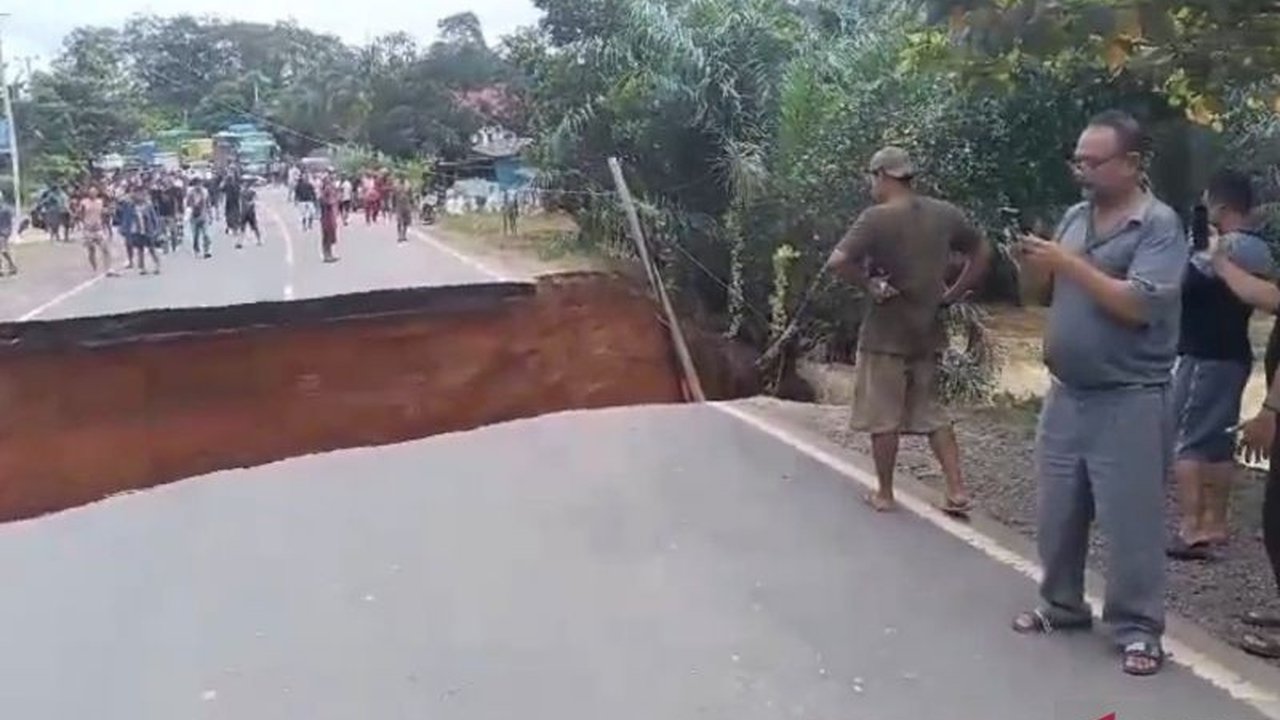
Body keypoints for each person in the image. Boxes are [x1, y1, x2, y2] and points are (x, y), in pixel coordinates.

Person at [1010, 110, 1187, 676]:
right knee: (1057, 512)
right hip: (1067, 393)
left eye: (1094, 161)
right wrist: (1034, 266)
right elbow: (1040, 295)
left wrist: (1066, 261)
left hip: (1129, 396)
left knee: (1130, 521)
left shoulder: (1158, 226)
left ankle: (1138, 629)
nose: (1081, 171)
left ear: (1131, 163)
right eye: (1078, 161)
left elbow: (1139, 305)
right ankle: (1061, 605)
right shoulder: (1074, 217)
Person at [825, 146, 991, 516]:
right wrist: (953, 294)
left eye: (872, 177)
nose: (871, 185)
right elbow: (982, 251)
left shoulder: (876, 218)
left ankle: (885, 493)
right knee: (932, 413)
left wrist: (869, 284)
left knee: (883, 417)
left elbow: (837, 262)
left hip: (884, 335)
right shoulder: (945, 214)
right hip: (927, 331)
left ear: (883, 175)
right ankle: (957, 490)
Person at [1168, 169, 1275, 561]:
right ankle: (1215, 522)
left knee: (1188, 442)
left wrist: (1195, 243)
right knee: (1217, 442)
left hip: (1203, 355)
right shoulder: (1258, 250)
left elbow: (1179, 278)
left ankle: (1191, 527)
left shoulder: (1220, 249)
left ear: (1221, 206)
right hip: (1234, 354)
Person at [119, 185, 162, 275]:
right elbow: (126, 217)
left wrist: (156, 229)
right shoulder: (130, 206)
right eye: (136, 193)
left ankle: (157, 265)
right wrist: (124, 229)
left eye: (140, 194)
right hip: (136, 230)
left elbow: (154, 218)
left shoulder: (148, 206)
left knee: (151, 248)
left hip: (147, 229)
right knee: (140, 249)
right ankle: (142, 267)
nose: (138, 196)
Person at [79, 186, 115, 275]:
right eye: (91, 192)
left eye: (94, 192)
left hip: (98, 229)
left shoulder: (100, 202)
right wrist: (84, 223)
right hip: (88, 229)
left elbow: (103, 212)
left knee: (105, 248)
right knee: (91, 250)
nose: (93, 194)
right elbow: (80, 214)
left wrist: (106, 216)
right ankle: (94, 267)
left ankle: (108, 268)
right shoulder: (84, 202)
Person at [187, 180, 212, 258]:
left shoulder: (205, 192)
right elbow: (187, 204)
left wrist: (210, 215)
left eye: (200, 183)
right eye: (197, 184)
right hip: (194, 217)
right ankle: (196, 250)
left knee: (206, 234)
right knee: (195, 235)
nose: (198, 185)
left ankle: (206, 250)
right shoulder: (191, 193)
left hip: (204, 216)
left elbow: (208, 204)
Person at [319, 176, 340, 263]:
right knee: (327, 236)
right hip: (326, 218)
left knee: (330, 236)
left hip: (330, 218)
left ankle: (329, 254)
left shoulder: (327, 194)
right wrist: (332, 202)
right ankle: (326, 255)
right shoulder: (323, 197)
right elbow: (326, 203)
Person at [239, 182, 261, 247]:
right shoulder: (251, 192)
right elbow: (256, 198)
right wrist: (251, 202)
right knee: (254, 227)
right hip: (249, 212)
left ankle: (240, 242)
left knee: (243, 228)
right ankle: (259, 240)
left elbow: (241, 202)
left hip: (245, 213)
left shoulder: (242, 192)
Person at [0, 191, 17, 276]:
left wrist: (7, 232)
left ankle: (12, 266)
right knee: (3, 250)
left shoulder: (5, 210)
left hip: (3, 232)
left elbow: (9, 222)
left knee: (3, 251)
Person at [393, 178, 414, 243]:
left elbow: (411, 196)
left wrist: (412, 204)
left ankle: (404, 235)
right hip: (399, 206)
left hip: (406, 205)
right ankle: (400, 236)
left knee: (405, 222)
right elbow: (393, 196)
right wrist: (393, 206)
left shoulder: (408, 185)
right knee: (399, 221)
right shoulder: (396, 186)